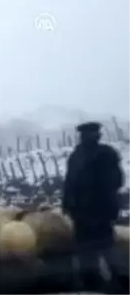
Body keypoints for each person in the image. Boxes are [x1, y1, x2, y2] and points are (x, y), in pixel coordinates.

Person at [62, 121, 125, 293]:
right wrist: (68, 203)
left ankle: (112, 280)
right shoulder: (82, 155)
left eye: (91, 133)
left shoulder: (101, 154)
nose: (90, 136)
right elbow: (69, 182)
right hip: (88, 212)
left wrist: (69, 204)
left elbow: (115, 181)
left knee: (98, 247)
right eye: (88, 133)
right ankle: (101, 280)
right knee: (98, 247)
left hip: (93, 211)